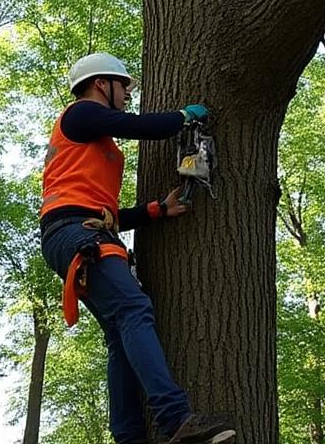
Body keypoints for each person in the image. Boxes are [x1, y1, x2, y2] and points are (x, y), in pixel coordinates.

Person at [39, 52, 237, 444]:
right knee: (133, 309)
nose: (128, 94)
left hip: (82, 230)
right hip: (76, 232)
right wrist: (183, 117)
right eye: (124, 86)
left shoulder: (92, 136)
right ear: (101, 84)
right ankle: (175, 418)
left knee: (119, 332)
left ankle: (130, 437)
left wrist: (155, 210)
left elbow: (101, 210)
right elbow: (140, 126)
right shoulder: (81, 113)